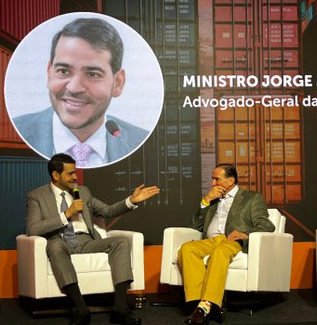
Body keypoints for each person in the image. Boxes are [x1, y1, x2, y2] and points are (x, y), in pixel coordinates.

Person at [25, 153, 160, 325]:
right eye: (70, 173)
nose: (75, 177)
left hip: (87, 242)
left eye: (75, 172)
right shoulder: (36, 196)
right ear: (55, 175)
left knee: (121, 241)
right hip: (60, 242)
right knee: (55, 247)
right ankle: (81, 308)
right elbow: (33, 229)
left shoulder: (83, 192)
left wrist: (131, 201)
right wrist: (66, 214)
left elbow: (107, 211)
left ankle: (119, 308)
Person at [14, 17, 148, 168]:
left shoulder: (141, 140)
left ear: (117, 83)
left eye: (92, 74)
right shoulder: (17, 131)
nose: (74, 88)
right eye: (63, 71)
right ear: (49, 73)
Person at [177, 164, 275, 325]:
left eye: (217, 179)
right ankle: (197, 304)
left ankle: (204, 307)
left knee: (220, 252)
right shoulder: (212, 199)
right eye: (212, 179)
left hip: (232, 240)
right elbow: (195, 225)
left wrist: (244, 234)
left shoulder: (251, 197)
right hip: (210, 240)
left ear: (231, 180)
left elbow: (267, 225)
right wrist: (205, 201)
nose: (213, 183)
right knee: (188, 248)